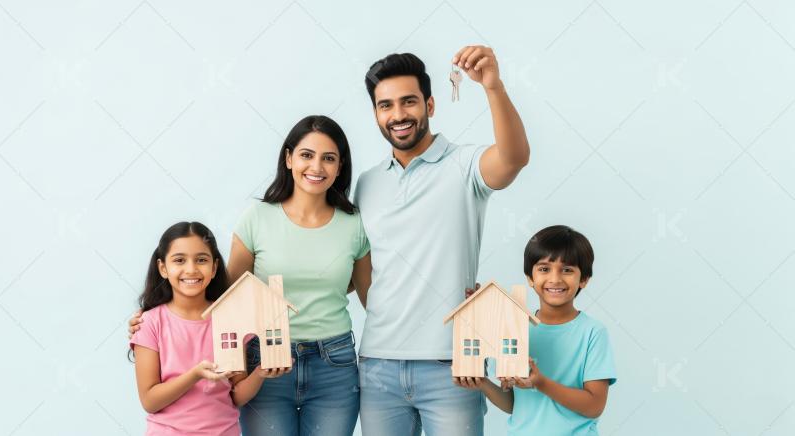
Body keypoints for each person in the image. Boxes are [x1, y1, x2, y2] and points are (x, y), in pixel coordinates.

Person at [130, 115, 371, 436]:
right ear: (288, 158)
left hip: (334, 364)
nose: (317, 166)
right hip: (263, 360)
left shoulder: (353, 224)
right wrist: (154, 317)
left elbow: (369, 295)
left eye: (329, 158)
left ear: (340, 167)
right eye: (306, 155)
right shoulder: (256, 219)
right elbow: (227, 296)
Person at [355, 46, 530, 435]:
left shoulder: (465, 165)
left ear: (430, 105)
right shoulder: (367, 183)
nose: (398, 115)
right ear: (376, 114)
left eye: (408, 102)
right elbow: (365, 269)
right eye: (386, 106)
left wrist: (493, 87)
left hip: (452, 365)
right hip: (377, 365)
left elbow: (515, 157)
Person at [129, 221, 287, 436]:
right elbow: (150, 401)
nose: (191, 269)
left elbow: (236, 395)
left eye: (201, 260)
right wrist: (195, 374)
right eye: (179, 260)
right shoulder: (150, 323)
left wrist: (260, 372)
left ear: (213, 268)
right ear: (163, 268)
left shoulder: (230, 318)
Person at [457, 225, 617, 436]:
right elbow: (515, 405)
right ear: (530, 278)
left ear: (584, 279)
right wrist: (483, 383)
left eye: (567, 270)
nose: (555, 279)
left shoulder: (593, 333)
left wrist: (541, 383)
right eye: (544, 269)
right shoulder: (513, 328)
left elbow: (594, 405)